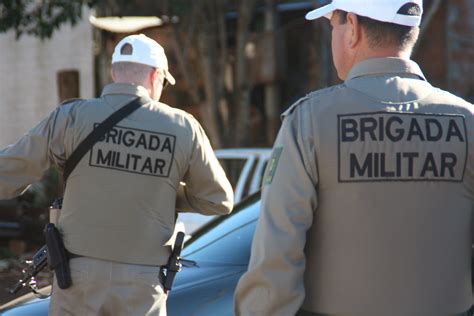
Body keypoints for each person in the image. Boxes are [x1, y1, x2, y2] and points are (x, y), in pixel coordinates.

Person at [234, 0, 474, 315]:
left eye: (334, 25)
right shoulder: (467, 121)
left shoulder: (310, 120)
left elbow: (276, 255)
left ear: (353, 28)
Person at [0, 34, 234, 315]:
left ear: (114, 73)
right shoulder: (183, 127)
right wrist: (163, 188)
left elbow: (7, 175)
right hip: (142, 284)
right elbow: (218, 200)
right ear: (156, 76)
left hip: (75, 276)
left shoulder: (70, 117)